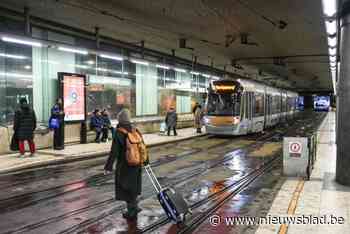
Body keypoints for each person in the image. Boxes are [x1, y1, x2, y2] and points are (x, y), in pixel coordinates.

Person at [104, 106, 142, 220]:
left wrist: (108, 166)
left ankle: (132, 211)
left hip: (125, 166)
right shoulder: (135, 130)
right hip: (136, 164)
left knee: (125, 188)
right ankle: (134, 206)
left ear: (120, 120)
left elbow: (114, 152)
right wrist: (145, 161)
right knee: (133, 187)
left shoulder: (119, 132)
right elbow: (142, 147)